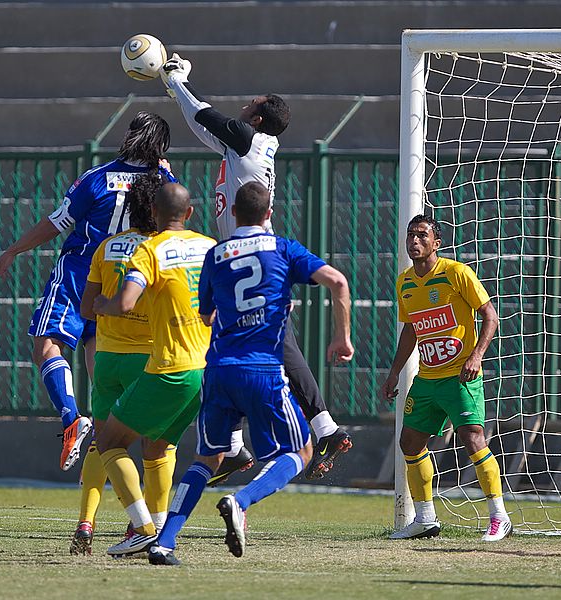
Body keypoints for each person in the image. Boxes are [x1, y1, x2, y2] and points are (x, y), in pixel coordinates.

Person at [160, 54, 351, 480]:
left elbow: (203, 113)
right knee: (240, 349)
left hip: (251, 258)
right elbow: (200, 123)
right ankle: (245, 445)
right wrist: (179, 89)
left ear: (258, 118)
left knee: (272, 346)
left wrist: (176, 80)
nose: (246, 103)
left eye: (253, 102)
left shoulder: (247, 138)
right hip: (243, 258)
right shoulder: (246, 144)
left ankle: (322, 428)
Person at [147, 182, 353, 565]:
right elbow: (338, 282)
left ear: (233, 215)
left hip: (220, 371)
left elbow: (206, 314)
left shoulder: (217, 253)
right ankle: (240, 502)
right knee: (301, 450)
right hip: (263, 370)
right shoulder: (283, 248)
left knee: (206, 459)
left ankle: (164, 542)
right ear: (269, 214)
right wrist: (341, 338)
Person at [0, 112, 174, 471]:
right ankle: (120, 485)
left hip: (80, 273)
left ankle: (71, 420)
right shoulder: (164, 183)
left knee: (46, 347)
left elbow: (57, 222)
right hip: (126, 281)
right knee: (101, 379)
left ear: (130, 136)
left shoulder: (97, 178)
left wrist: (15, 248)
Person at [91, 183, 215, 557]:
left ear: (154, 216)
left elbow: (126, 303)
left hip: (169, 368)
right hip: (206, 371)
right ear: (190, 213)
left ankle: (142, 527)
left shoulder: (151, 249)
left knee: (109, 441)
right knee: (160, 446)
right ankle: (159, 533)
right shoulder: (210, 246)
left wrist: (103, 304)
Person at [381, 214, 509, 542]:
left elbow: (491, 317)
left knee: (472, 437)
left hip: (460, 376)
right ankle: (425, 519)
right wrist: (394, 373)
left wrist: (476, 356)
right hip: (427, 378)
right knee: (409, 442)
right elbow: (410, 329)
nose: (414, 241)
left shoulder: (457, 273)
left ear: (436, 243)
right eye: (411, 235)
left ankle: (499, 516)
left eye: (422, 235)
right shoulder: (405, 282)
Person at [70, 171, 177, 555]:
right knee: (158, 446)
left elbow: (86, 309)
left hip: (107, 359)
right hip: (149, 359)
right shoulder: (164, 250)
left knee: (106, 443)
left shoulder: (107, 247)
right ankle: (154, 527)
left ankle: (89, 520)